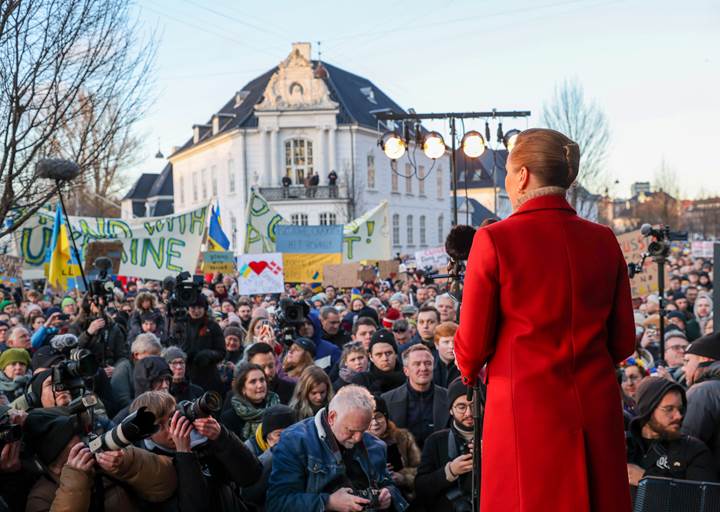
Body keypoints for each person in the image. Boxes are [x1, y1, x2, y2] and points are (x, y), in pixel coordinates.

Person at [454, 128, 636, 512]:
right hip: (596, 406)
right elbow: (623, 342)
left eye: (508, 172)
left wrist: (470, 372)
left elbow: (471, 344)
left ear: (522, 176)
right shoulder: (604, 240)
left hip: (524, 410)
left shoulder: (495, 240)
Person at [266, 384, 408, 511]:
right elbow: (278, 503)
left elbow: (389, 484)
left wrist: (389, 495)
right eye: (351, 431)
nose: (358, 438)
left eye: (364, 430)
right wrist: (328, 502)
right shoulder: (296, 442)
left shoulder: (375, 444)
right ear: (332, 417)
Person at [23, 407, 177, 512]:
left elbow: (167, 485)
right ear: (54, 464)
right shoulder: (40, 497)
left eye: (81, 441)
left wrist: (128, 463)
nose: (84, 449)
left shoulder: (107, 459)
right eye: (70, 450)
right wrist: (75, 482)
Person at [131, 390, 263, 512]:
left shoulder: (201, 439)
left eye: (172, 418)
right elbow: (196, 507)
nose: (171, 429)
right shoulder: (150, 464)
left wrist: (222, 437)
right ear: (147, 434)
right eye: (160, 426)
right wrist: (184, 453)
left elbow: (252, 475)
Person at [626, 377, 718, 490]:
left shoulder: (693, 450)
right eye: (669, 409)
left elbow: (702, 502)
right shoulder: (624, 447)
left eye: (680, 409)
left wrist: (647, 479)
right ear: (647, 410)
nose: (679, 416)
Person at [416, 378, 482, 512]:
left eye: (474, 405)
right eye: (461, 407)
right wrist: (450, 471)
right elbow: (420, 488)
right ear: (451, 410)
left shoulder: (497, 439)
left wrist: (492, 458)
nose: (469, 413)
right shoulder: (435, 441)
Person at [382, 344, 449, 449]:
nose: (423, 368)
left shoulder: (448, 397)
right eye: (417, 364)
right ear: (406, 371)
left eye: (428, 363)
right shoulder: (387, 400)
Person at [243, 404, 298, 510]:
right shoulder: (249, 451)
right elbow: (247, 495)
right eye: (279, 434)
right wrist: (274, 455)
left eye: (290, 432)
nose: (286, 438)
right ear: (266, 436)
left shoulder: (299, 446)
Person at [368, 396, 422, 502]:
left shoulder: (403, 437)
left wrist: (403, 477)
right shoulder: (358, 443)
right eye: (370, 418)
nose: (374, 422)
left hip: (405, 496)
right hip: (374, 499)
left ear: (386, 417)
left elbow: (421, 469)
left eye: (378, 416)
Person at [173, 294, 225, 394]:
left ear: (204, 308)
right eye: (193, 307)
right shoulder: (180, 325)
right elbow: (172, 348)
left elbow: (221, 351)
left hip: (208, 375)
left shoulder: (212, 326)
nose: (196, 311)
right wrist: (183, 353)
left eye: (199, 307)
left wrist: (209, 354)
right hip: (185, 374)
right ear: (188, 308)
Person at [681, 333, 720, 464]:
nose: (683, 368)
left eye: (687, 361)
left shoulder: (702, 391)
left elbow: (685, 445)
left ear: (704, 359)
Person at [221, 362, 280, 441]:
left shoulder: (279, 410)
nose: (260, 385)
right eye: (253, 382)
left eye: (262, 380)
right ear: (243, 389)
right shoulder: (229, 418)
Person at [111, 333, 163, 409]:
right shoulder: (124, 368)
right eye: (151, 356)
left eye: (157, 356)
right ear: (136, 355)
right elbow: (122, 400)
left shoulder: (155, 369)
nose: (155, 360)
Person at [352, 329, 405, 394]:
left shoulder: (409, 376)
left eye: (388, 353)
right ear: (371, 357)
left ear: (396, 354)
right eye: (379, 354)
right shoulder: (363, 380)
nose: (385, 358)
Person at [433, 321, 460, 388]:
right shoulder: (430, 366)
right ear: (436, 344)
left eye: (455, 342)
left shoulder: (465, 368)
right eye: (446, 342)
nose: (451, 346)